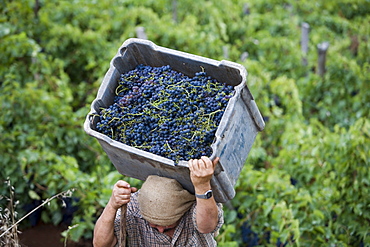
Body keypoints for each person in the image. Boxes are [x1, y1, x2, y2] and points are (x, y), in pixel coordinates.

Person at [93, 156, 224, 247]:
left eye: (169, 226)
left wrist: (202, 185)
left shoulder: (197, 204)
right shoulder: (134, 207)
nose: (161, 230)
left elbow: (207, 226)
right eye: (154, 225)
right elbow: (100, 245)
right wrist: (112, 205)